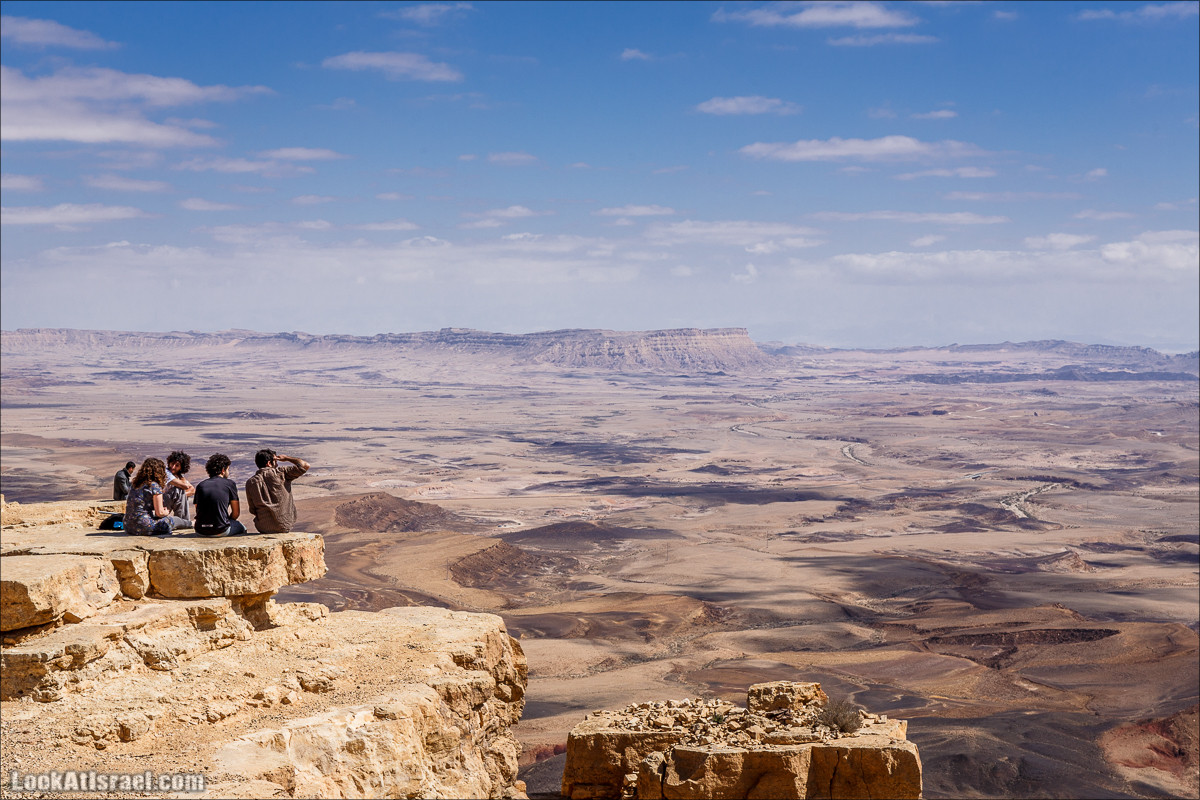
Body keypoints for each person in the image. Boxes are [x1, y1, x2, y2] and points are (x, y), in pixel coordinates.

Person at [245, 449, 310, 533]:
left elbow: (252, 509)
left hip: (263, 527)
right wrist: (286, 458)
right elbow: (305, 465)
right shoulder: (281, 473)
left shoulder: (250, 482)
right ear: (269, 463)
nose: (277, 464)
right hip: (285, 524)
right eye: (275, 461)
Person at [123, 458, 188, 536]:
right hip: (145, 528)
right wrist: (166, 512)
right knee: (173, 520)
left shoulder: (135, 484)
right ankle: (191, 523)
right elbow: (159, 513)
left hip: (128, 527)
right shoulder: (154, 486)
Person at [193, 453, 246, 538]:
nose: (228, 472)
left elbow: (198, 508)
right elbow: (236, 513)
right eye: (228, 469)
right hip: (221, 530)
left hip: (200, 530)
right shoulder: (230, 484)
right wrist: (226, 521)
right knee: (243, 528)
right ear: (223, 470)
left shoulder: (200, 485)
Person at [164, 450, 195, 528]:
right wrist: (180, 496)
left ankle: (182, 522)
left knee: (181, 493)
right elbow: (185, 486)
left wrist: (181, 497)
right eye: (172, 463)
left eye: (177, 465)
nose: (173, 467)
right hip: (160, 500)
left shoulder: (178, 476)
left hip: (169, 501)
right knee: (179, 490)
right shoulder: (166, 472)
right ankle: (183, 522)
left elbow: (192, 490)